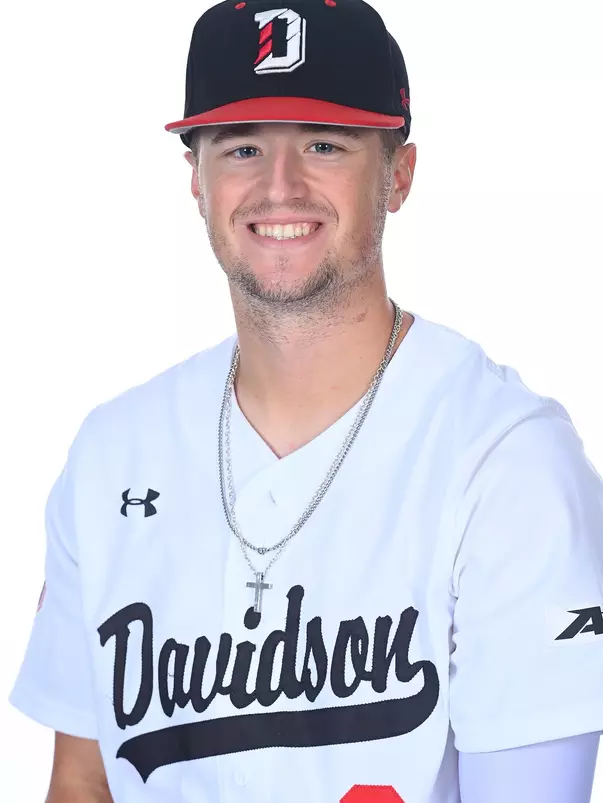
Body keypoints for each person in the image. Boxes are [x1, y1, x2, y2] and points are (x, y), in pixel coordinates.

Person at [9, 0, 603, 801]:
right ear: (196, 178)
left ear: (398, 174)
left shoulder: (505, 459)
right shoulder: (112, 452)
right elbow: (82, 782)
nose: (278, 186)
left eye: (324, 145)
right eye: (242, 146)